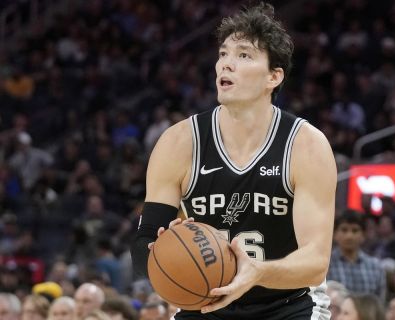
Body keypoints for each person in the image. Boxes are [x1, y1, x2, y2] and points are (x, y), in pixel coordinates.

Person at [131, 2, 337, 319]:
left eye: (243, 55)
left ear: (273, 77)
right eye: (224, 53)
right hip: (204, 303)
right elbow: (142, 243)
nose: (226, 64)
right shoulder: (179, 143)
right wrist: (163, 252)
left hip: (288, 305)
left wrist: (257, 272)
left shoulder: (306, 145)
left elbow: (315, 262)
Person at [327, 210, 386, 301]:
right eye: (344, 230)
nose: (349, 236)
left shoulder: (376, 267)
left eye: (355, 230)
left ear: (363, 235)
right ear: (335, 234)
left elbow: (379, 305)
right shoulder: (325, 264)